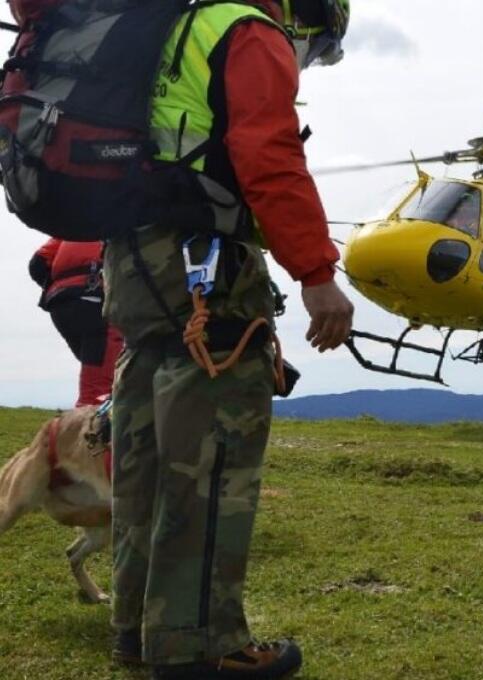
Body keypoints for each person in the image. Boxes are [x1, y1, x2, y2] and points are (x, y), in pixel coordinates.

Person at [104, 0, 353, 678]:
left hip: (131, 263)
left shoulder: (162, 30)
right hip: (201, 265)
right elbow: (265, 152)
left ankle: (137, 628)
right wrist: (315, 269)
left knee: (146, 456)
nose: (313, 59)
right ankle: (201, 645)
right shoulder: (247, 29)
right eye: (322, 47)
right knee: (212, 460)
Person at [28, 238, 123, 407]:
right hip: (97, 306)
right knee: (98, 391)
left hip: (60, 306)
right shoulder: (127, 218)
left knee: (101, 372)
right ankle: (87, 429)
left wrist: (65, 287)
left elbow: (37, 264)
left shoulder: (70, 229)